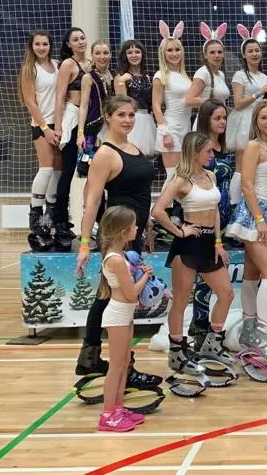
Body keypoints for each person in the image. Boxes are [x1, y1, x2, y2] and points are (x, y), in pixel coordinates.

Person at [74, 95, 161, 388]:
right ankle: (107, 360)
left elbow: (140, 193)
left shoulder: (134, 148)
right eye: (121, 115)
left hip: (134, 233)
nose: (127, 120)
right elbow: (91, 202)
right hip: (116, 237)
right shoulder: (105, 154)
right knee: (115, 297)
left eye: (131, 115)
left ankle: (100, 359)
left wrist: (147, 225)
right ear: (108, 117)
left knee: (115, 297)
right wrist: (85, 243)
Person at [152, 132, 235, 372]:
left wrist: (218, 242)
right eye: (208, 151)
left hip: (209, 243)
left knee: (226, 293)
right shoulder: (181, 179)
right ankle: (176, 352)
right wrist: (179, 231)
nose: (212, 154)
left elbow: (215, 210)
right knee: (180, 301)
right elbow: (158, 210)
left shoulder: (210, 175)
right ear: (195, 153)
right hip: (188, 245)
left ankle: (212, 343)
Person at [226, 100, 267, 364]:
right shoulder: (253, 146)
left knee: (252, 274)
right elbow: (247, 185)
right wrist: (259, 219)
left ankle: (249, 330)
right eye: (264, 117)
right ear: (256, 120)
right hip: (256, 214)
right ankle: (264, 334)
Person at [95, 206, 152, 432]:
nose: (137, 228)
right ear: (123, 232)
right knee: (116, 366)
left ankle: (118, 408)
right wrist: (146, 276)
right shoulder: (116, 260)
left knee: (124, 363)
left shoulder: (120, 256)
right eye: (134, 225)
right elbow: (131, 294)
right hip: (118, 315)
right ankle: (107, 415)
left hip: (125, 315)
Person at [187, 100, 237, 348]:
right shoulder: (199, 148)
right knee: (204, 278)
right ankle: (199, 325)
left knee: (217, 273)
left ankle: (211, 329)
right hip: (204, 216)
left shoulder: (226, 148)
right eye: (217, 118)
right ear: (206, 119)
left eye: (224, 118)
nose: (222, 122)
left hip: (224, 215)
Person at [19, 31, 61, 251]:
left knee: (58, 172)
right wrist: (45, 128)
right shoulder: (30, 69)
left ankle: (51, 216)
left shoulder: (57, 65)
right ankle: (36, 216)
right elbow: (30, 102)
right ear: (32, 46)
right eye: (38, 44)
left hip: (60, 124)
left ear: (50, 46)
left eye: (45, 44)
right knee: (46, 169)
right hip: (42, 125)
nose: (42, 47)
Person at [52, 27, 90, 251]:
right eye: (75, 39)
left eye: (82, 38)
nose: (80, 42)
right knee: (67, 172)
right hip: (72, 118)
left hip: (90, 121)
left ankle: (93, 222)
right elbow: (59, 96)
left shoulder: (90, 64)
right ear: (68, 44)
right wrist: (58, 126)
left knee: (91, 172)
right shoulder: (68, 64)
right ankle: (60, 222)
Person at [226, 34, 267, 191]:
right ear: (244, 55)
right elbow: (238, 103)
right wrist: (258, 93)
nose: (254, 54)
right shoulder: (239, 75)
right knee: (241, 166)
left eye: (257, 50)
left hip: (260, 121)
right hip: (245, 121)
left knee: (258, 163)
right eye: (250, 51)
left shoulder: (264, 76)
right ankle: (235, 201)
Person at [152, 21, 191, 193]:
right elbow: (156, 106)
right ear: (163, 53)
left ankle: (175, 207)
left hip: (186, 128)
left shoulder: (184, 76)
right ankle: (161, 208)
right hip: (171, 128)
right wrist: (165, 132)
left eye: (177, 49)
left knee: (182, 175)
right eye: (170, 50)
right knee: (172, 176)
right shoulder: (160, 75)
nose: (174, 53)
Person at [113, 40, 156, 156]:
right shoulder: (121, 77)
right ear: (125, 55)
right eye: (130, 52)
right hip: (131, 120)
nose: (134, 55)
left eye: (137, 52)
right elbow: (121, 104)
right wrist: (122, 81)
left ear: (142, 54)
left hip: (147, 120)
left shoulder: (147, 77)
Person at [76, 40, 113, 154]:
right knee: (92, 161)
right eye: (97, 53)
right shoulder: (88, 77)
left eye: (105, 53)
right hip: (95, 125)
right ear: (92, 55)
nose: (102, 57)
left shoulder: (115, 75)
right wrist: (80, 133)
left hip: (114, 125)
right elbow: (83, 106)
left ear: (111, 54)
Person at [186, 22, 230, 112]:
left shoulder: (221, 74)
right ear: (205, 55)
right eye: (212, 52)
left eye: (220, 52)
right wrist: (215, 105)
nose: (217, 55)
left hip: (220, 118)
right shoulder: (203, 73)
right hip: (206, 118)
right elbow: (190, 100)